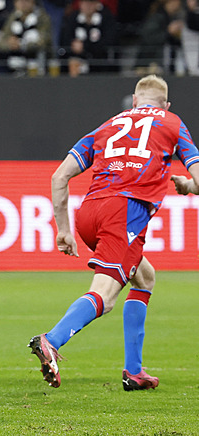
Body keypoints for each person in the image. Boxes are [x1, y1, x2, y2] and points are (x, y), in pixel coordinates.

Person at [29, 75, 199, 391]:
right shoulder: (173, 123)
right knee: (105, 297)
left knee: (144, 277)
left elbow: (59, 176)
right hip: (124, 214)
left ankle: (134, 372)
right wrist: (188, 187)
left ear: (134, 101)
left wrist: (64, 230)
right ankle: (51, 340)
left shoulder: (107, 125)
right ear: (166, 105)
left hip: (89, 213)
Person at [0, 0, 52, 76]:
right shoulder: (12, 17)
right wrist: (9, 44)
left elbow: (43, 42)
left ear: (33, 2)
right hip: (13, 67)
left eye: (26, 1)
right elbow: (1, 42)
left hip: (37, 66)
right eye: (19, 1)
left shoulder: (42, 18)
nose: (23, 4)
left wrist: (21, 44)